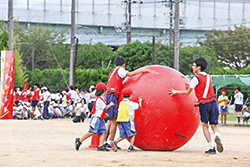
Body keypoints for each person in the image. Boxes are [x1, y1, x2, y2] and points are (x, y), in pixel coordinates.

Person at [168, 57, 223, 154]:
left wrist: (176, 91)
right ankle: (217, 136)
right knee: (214, 125)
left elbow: (187, 92)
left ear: (198, 67)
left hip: (204, 104)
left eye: (194, 65)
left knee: (205, 126)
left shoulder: (196, 78)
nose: (192, 67)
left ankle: (212, 147)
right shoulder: (208, 76)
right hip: (213, 102)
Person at [105, 56, 151, 151]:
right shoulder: (120, 70)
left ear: (114, 64)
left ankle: (106, 142)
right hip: (113, 95)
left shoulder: (112, 72)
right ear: (123, 65)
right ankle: (110, 142)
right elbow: (130, 74)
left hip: (110, 95)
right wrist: (142, 71)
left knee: (111, 121)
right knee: (113, 121)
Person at [75, 82, 114, 151]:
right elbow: (104, 107)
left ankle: (101, 146)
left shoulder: (102, 99)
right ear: (102, 91)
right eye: (105, 90)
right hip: (96, 118)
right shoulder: (99, 99)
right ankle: (80, 140)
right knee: (92, 131)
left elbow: (100, 109)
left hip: (100, 118)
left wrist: (105, 114)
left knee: (104, 132)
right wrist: (110, 104)